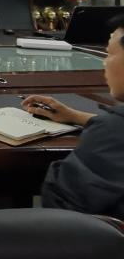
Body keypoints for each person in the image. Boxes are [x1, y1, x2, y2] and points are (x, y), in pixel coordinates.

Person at [23, 13, 124, 219]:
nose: (105, 63)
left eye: (110, 54)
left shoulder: (112, 132)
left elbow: (63, 207)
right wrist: (77, 117)